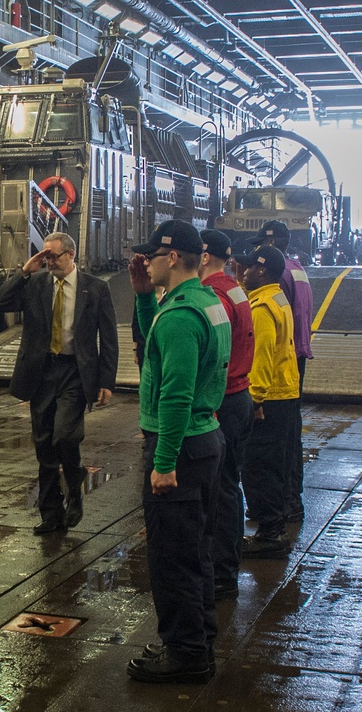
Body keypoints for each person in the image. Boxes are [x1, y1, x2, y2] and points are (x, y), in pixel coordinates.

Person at [126, 220, 230, 685]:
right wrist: (145, 296)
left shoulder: (183, 317)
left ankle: (186, 653)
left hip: (181, 447)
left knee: (172, 558)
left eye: (151, 255)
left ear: (172, 258)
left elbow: (175, 393)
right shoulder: (206, 303)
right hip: (206, 440)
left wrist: (163, 462)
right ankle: (197, 640)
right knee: (196, 552)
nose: (145, 261)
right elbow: (157, 350)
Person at [0, 232, 117, 534]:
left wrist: (106, 381)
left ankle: (74, 487)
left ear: (71, 255)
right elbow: (2, 303)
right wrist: (25, 270)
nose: (49, 261)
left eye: (54, 256)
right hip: (42, 372)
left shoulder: (95, 288)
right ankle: (50, 512)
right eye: (45, 256)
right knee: (44, 445)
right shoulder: (36, 283)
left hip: (75, 371)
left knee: (64, 436)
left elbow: (109, 338)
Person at [199, 230, 255, 599]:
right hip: (240, 396)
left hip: (224, 400)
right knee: (229, 485)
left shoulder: (215, 294)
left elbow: (215, 352)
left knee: (220, 489)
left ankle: (221, 571)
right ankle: (228, 561)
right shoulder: (234, 287)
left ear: (204, 256)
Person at [235, 245, 300, 558]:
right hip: (284, 393)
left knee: (258, 467)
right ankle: (274, 527)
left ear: (261, 270)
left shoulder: (261, 308)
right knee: (275, 465)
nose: (245, 271)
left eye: (249, 267)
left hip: (268, 397)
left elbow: (259, 358)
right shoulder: (277, 297)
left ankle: (270, 535)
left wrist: (254, 400)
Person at [247, 221, 312, 522]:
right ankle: (292, 503)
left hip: (279, 362)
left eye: (260, 244)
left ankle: (280, 507)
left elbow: (263, 342)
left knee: (272, 448)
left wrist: (256, 398)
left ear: (271, 244)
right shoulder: (297, 267)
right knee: (290, 436)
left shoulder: (278, 276)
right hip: (294, 358)